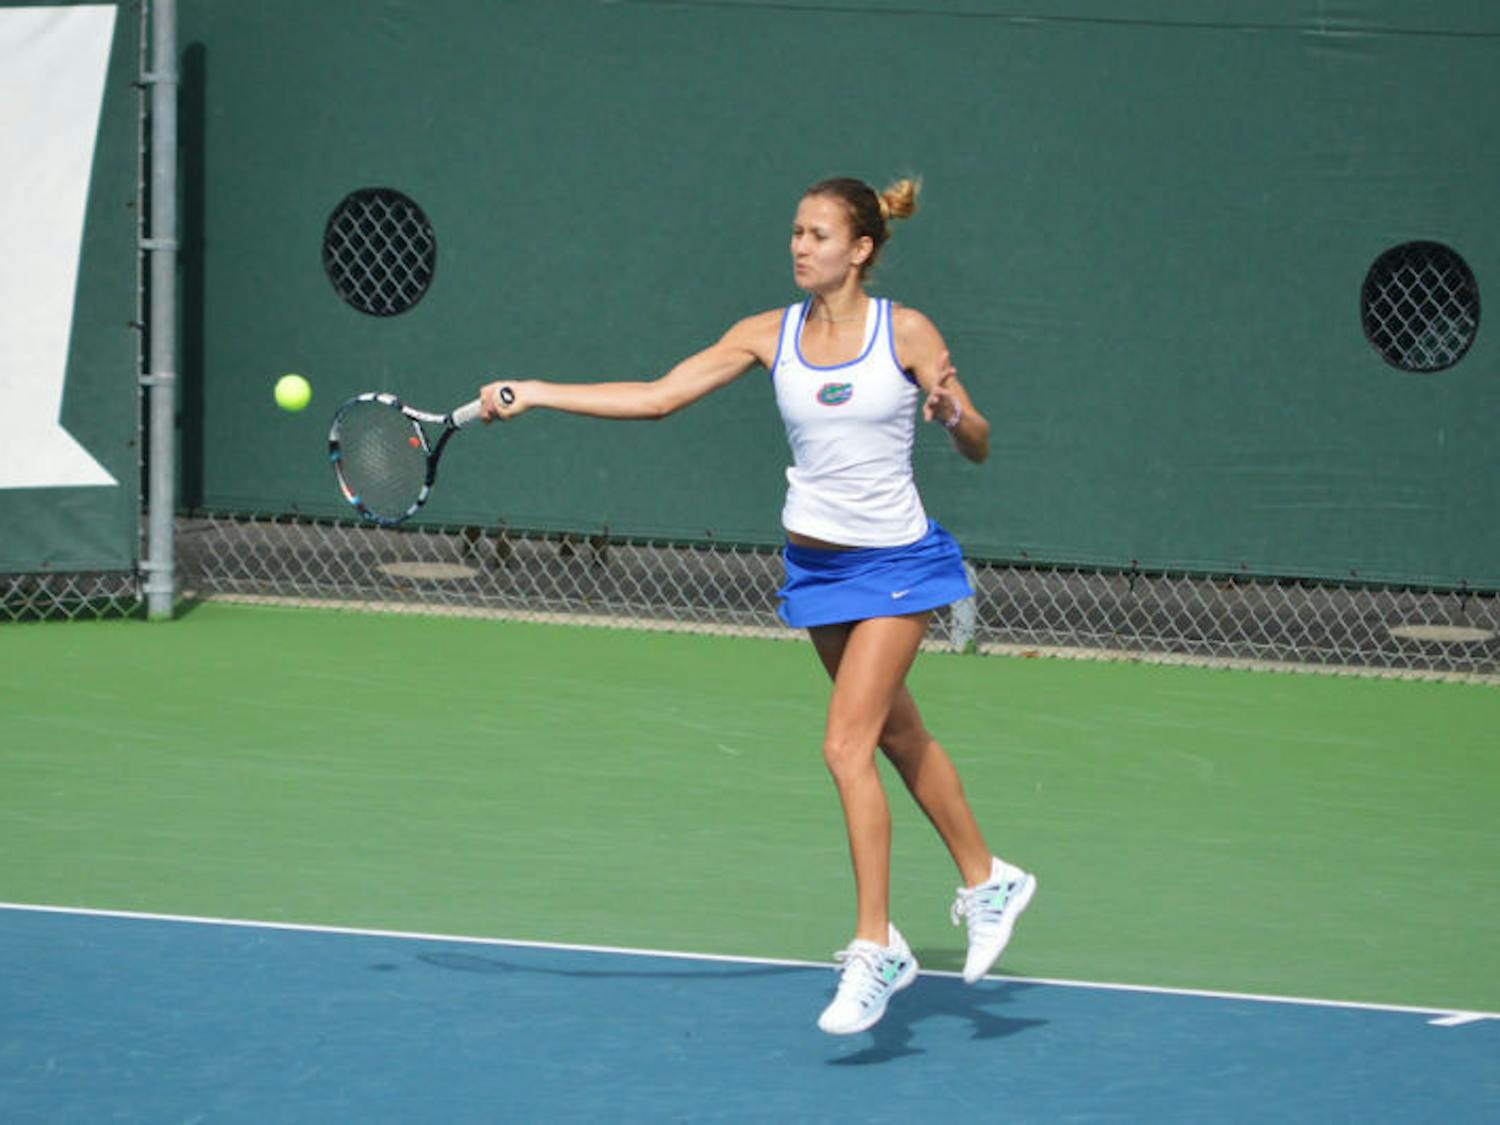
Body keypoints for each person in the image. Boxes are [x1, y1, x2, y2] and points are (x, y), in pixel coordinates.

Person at [479, 175, 1035, 1035]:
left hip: (897, 563)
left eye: (817, 234)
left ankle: (876, 945)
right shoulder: (766, 335)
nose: (798, 246)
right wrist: (540, 390)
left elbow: (980, 442)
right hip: (818, 568)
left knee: (845, 744)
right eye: (795, 232)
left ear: (860, 250)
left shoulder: (908, 331)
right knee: (896, 734)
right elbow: (660, 396)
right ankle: (987, 876)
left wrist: (953, 411)